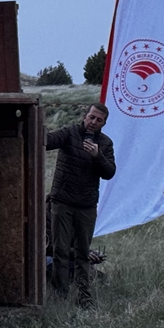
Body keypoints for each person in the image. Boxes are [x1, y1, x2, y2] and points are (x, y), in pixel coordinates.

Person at [46, 103, 116, 308]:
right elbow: (48, 141)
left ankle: (84, 296)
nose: (93, 122)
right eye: (91, 117)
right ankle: (60, 295)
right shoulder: (69, 133)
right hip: (62, 202)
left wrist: (97, 156)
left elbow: (110, 172)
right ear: (84, 116)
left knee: (83, 253)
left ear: (104, 123)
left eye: (99, 120)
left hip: (86, 206)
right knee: (60, 250)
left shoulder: (105, 143)